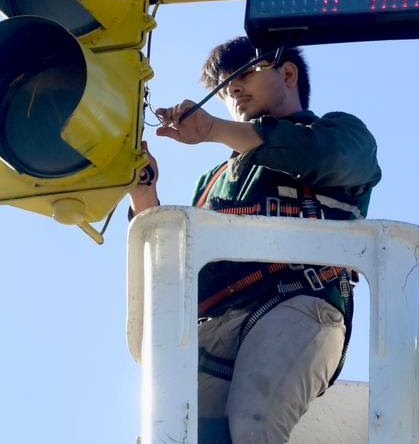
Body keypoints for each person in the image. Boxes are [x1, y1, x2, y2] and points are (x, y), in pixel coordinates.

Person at [129, 36, 381, 444]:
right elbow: (174, 264)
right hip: (215, 322)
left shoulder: (340, 133)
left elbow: (323, 157)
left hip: (298, 303)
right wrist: (143, 192)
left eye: (245, 73)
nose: (233, 88)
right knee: (163, 433)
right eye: (225, 84)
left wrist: (214, 129)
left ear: (287, 73)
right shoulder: (211, 183)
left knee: (254, 423)